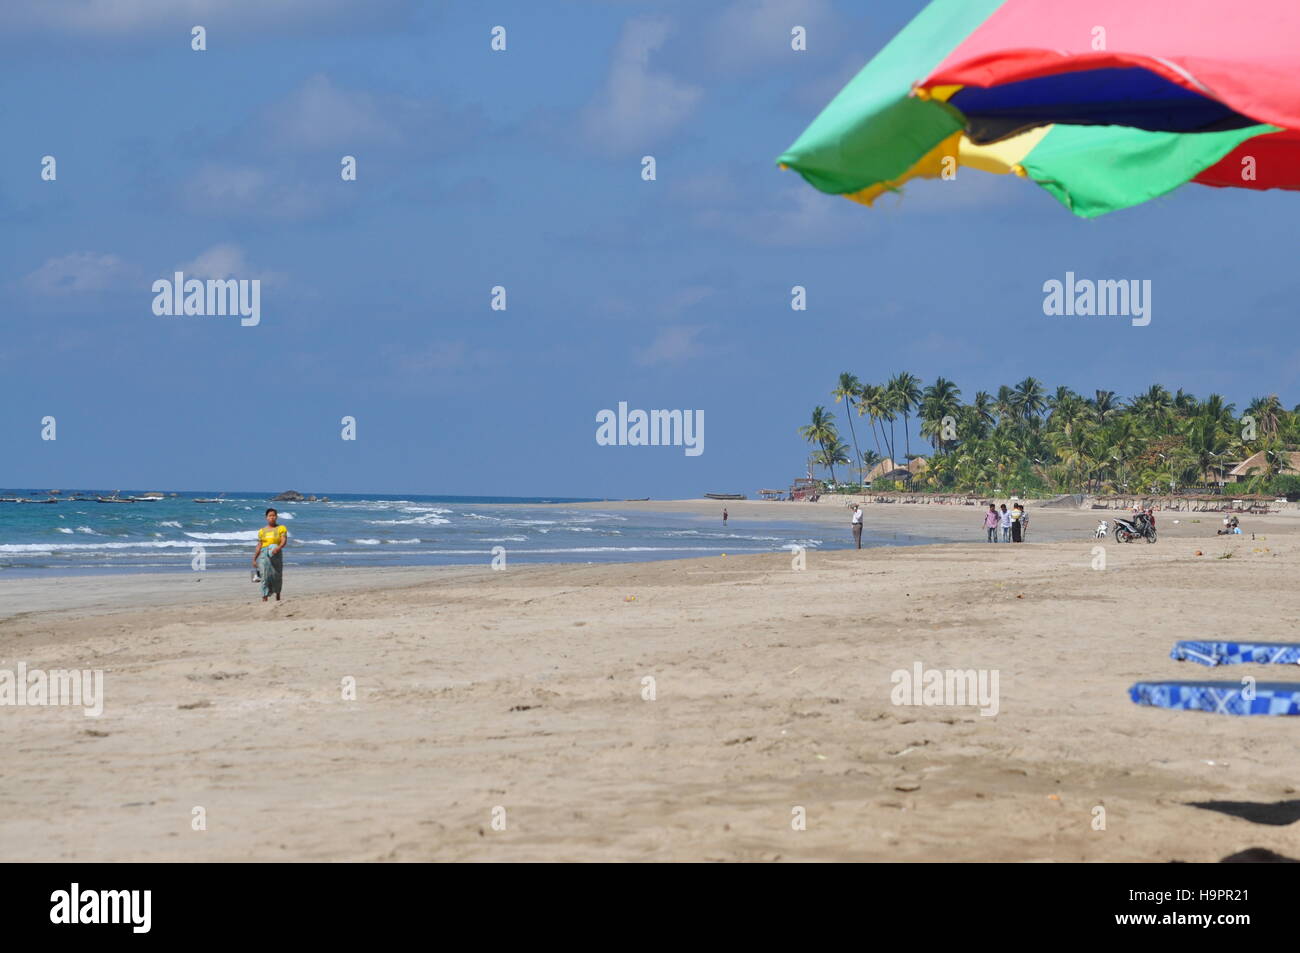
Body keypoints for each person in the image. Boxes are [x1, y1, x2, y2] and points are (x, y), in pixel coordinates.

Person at [252, 507, 288, 602]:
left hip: (276, 553)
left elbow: (284, 541)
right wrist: (254, 558)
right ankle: (265, 598)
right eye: (270, 516)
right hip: (264, 554)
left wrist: (278, 548)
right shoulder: (262, 531)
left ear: (276, 517)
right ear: (266, 517)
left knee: (277, 575)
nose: (272, 517)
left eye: (274, 515)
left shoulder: (281, 528)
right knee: (264, 576)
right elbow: (259, 545)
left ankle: (278, 596)